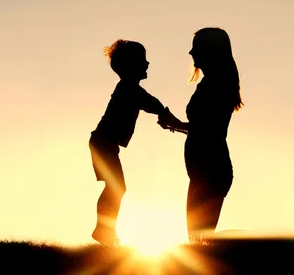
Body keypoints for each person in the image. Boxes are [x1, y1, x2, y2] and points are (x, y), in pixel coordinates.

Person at [158, 27, 243, 242]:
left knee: (201, 241)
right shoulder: (210, 83)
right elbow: (203, 127)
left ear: (210, 51)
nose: (190, 53)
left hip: (211, 171)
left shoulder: (217, 85)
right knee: (197, 241)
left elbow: (210, 131)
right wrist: (175, 125)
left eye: (196, 48)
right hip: (202, 173)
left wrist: (175, 124)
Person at [89, 39, 172, 245]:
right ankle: (103, 230)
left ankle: (104, 230)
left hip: (105, 143)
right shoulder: (128, 87)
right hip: (103, 142)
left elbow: (149, 103)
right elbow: (149, 102)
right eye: (142, 60)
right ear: (129, 66)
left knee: (116, 187)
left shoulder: (129, 87)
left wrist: (164, 114)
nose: (147, 64)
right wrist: (165, 114)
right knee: (116, 187)